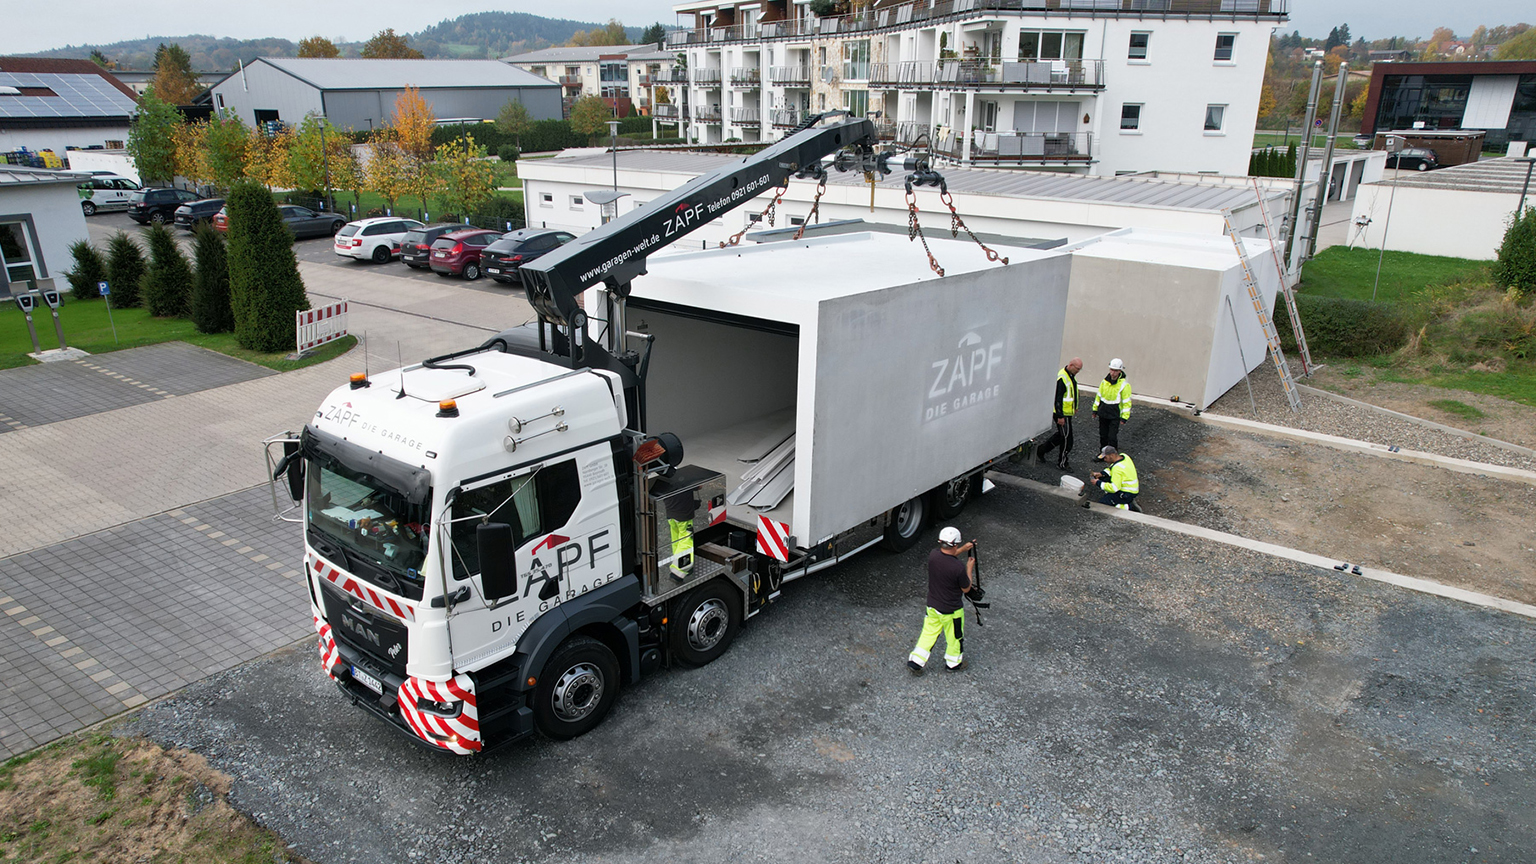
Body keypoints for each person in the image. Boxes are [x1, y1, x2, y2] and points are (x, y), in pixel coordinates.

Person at [908, 527, 974, 675]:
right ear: (955, 544)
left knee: (928, 633)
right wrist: (969, 568)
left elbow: (949, 555)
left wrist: (963, 549)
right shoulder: (958, 568)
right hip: (952, 611)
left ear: (940, 542)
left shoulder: (934, 555)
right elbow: (966, 588)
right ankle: (953, 664)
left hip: (932, 606)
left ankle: (916, 662)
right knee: (954, 638)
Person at [1038, 357, 1081, 470]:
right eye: (1077, 369)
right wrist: (1060, 416)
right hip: (1062, 414)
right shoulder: (1062, 378)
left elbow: (1072, 392)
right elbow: (1057, 399)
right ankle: (1062, 463)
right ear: (1071, 365)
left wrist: (1075, 406)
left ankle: (1041, 450)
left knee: (1061, 436)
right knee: (1067, 440)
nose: (1078, 371)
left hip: (1067, 413)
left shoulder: (1070, 376)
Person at [1092, 358, 1132, 453]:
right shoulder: (1104, 382)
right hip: (1103, 412)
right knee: (1103, 435)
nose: (1113, 373)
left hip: (1114, 414)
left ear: (1120, 371)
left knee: (1112, 437)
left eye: (1115, 371)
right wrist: (1095, 410)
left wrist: (1124, 417)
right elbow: (1099, 396)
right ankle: (1103, 454)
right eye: (1112, 370)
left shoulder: (1124, 385)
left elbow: (1126, 402)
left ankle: (1113, 456)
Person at [1085, 446, 1140, 511]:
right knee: (1104, 478)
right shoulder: (1124, 456)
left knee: (1102, 505)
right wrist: (1101, 474)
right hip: (1132, 490)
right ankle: (1126, 501)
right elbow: (1112, 468)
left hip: (1126, 493)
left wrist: (1098, 483)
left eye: (1105, 457)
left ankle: (1127, 507)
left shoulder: (1117, 469)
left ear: (1112, 455)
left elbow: (1114, 488)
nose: (1104, 460)